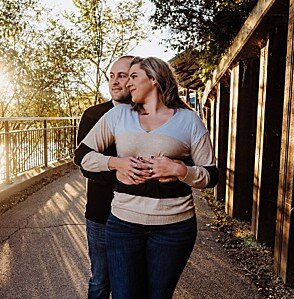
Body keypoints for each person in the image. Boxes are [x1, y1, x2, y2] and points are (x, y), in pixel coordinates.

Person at [75, 56, 218, 299]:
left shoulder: (189, 120)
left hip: (174, 227)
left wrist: (182, 171)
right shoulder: (118, 116)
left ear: (153, 79)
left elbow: (211, 175)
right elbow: (82, 155)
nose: (127, 84)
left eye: (133, 77)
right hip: (123, 224)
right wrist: (116, 163)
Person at [73, 55, 133, 299]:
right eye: (111, 76)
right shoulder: (94, 114)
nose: (115, 82)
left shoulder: (148, 116)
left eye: (122, 75)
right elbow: (85, 165)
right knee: (101, 279)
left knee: (129, 280)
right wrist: (123, 176)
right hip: (101, 212)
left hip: (136, 215)